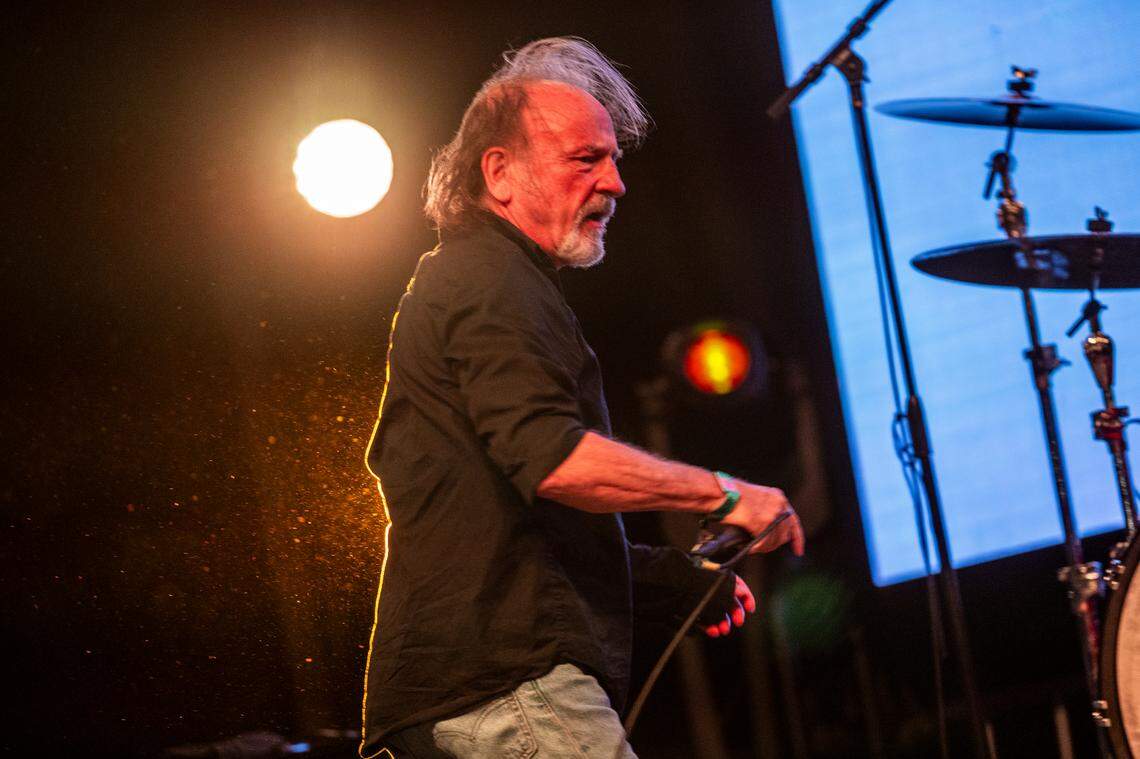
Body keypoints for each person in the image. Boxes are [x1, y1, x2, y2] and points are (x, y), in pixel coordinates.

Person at [360, 37, 804, 759]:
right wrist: (724, 494)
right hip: (510, 693)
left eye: (614, 159)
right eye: (585, 159)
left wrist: (671, 583)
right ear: (500, 173)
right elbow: (556, 461)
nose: (616, 182)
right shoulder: (488, 280)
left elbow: (516, 528)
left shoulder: (486, 282)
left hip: (472, 698)